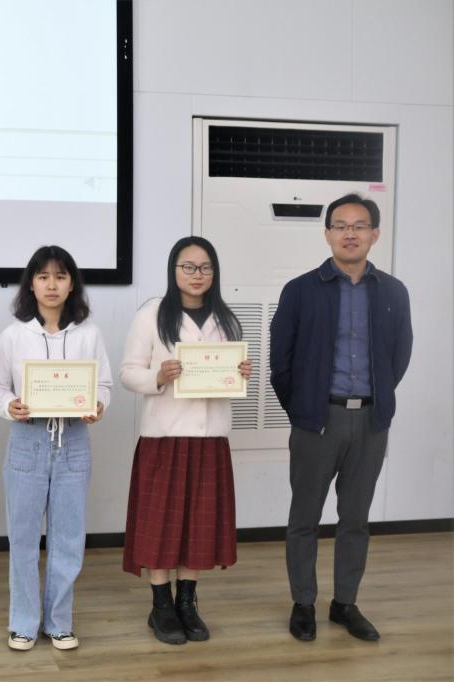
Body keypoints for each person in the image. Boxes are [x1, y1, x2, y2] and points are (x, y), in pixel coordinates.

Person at [270, 194, 412, 643]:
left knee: (355, 519)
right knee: (304, 518)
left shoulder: (393, 292)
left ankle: (345, 604)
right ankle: (303, 603)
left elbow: (399, 356)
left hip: (370, 423)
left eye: (359, 225)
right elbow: (280, 362)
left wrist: (377, 398)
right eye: (341, 225)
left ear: (375, 234)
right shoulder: (300, 290)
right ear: (327, 233)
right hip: (317, 421)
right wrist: (304, 409)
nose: (350, 233)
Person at [119, 236, 251, 645]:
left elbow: (226, 375)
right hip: (164, 437)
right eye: (188, 267)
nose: (198, 275)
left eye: (205, 267)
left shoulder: (227, 319)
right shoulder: (151, 315)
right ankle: (161, 604)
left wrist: (239, 373)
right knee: (160, 523)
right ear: (174, 271)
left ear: (215, 272)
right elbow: (128, 373)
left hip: (210, 439)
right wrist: (158, 376)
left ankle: (188, 602)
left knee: (198, 524)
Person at [0, 246, 112, 652]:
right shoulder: (13, 335)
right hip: (27, 441)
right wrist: (10, 405)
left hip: (74, 441)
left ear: (72, 283)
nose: (51, 284)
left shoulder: (89, 334)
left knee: (68, 537)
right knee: (23, 538)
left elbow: (103, 384)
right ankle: (24, 622)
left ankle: (59, 622)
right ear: (32, 284)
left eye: (60, 276)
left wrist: (98, 405)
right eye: (43, 276)